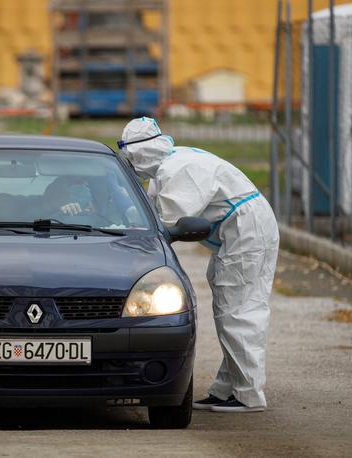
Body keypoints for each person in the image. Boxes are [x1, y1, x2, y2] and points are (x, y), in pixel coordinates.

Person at [119, 117, 279, 412]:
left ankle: (249, 395)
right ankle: (226, 389)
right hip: (238, 235)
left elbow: (166, 222)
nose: (130, 163)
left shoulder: (179, 170)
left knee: (238, 311)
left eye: (130, 156)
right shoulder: (165, 170)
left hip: (247, 232)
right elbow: (149, 211)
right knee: (229, 310)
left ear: (140, 152)